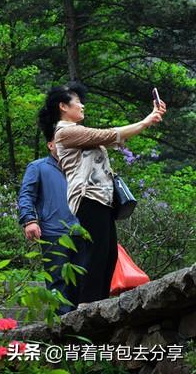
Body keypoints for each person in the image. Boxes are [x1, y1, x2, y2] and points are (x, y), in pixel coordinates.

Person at [38, 82, 166, 305]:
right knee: (96, 254)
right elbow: (110, 135)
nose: (82, 106)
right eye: (78, 102)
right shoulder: (65, 132)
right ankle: (87, 306)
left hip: (102, 199)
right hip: (88, 198)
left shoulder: (76, 132)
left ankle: (96, 303)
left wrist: (149, 120)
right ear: (63, 106)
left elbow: (117, 137)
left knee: (108, 254)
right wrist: (146, 120)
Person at [18, 139, 80, 314]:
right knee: (57, 281)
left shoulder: (79, 167)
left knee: (81, 281)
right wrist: (29, 220)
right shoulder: (38, 167)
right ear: (50, 145)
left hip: (81, 232)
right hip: (54, 232)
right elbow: (26, 195)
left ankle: (82, 329)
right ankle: (63, 328)